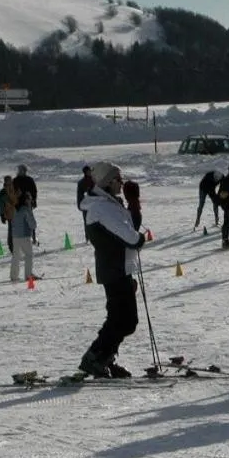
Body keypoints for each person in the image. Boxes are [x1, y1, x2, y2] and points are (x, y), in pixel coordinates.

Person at [78, 162, 146, 378]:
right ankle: (95, 357)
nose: (122, 183)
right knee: (122, 320)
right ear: (107, 182)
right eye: (118, 179)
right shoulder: (102, 208)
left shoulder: (108, 204)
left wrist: (133, 204)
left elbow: (129, 229)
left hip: (119, 268)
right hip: (114, 269)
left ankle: (103, 358)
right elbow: (131, 238)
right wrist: (140, 237)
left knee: (124, 320)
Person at [10, 192, 38, 282]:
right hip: (24, 236)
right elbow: (33, 224)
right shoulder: (26, 209)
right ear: (26, 200)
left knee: (16, 255)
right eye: (29, 199)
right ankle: (28, 274)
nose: (31, 200)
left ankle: (14, 275)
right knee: (29, 255)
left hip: (15, 236)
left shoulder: (15, 208)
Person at [13, 164, 39, 245]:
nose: (20, 172)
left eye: (21, 170)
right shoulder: (15, 180)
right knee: (19, 223)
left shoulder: (29, 180)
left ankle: (33, 238)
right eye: (19, 170)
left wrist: (33, 201)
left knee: (30, 221)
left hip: (27, 203)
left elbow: (34, 191)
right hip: (17, 205)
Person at [0, 176, 17, 253]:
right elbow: (0, 205)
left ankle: (14, 247)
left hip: (15, 214)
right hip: (11, 215)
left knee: (14, 231)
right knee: (12, 231)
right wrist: (2, 215)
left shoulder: (14, 189)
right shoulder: (3, 192)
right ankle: (12, 247)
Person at [76, 165, 95, 238]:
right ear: (86, 172)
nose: (90, 172)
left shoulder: (94, 180)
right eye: (89, 171)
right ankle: (88, 237)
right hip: (86, 205)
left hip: (94, 204)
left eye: (90, 170)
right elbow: (79, 195)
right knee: (87, 221)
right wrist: (80, 205)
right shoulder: (81, 183)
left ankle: (93, 236)